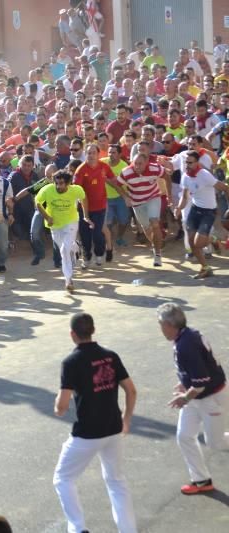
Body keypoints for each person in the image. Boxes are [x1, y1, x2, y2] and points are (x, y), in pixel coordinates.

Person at [53, 312, 138, 533]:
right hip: (113, 429)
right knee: (117, 481)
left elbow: (61, 406)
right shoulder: (110, 356)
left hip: (87, 434)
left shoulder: (71, 362)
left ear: (73, 334)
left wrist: (58, 407)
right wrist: (126, 420)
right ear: (93, 330)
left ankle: (78, 528)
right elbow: (131, 390)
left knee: (63, 478)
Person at [156, 303, 229, 495]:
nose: (160, 328)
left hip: (211, 398)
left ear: (169, 325)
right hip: (197, 396)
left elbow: (202, 381)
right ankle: (201, 480)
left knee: (216, 443)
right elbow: (199, 373)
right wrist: (185, 383)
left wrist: (185, 397)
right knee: (185, 436)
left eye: (160, 324)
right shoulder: (187, 335)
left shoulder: (185, 345)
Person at [174, 151, 229, 279]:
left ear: (197, 163)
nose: (187, 165)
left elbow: (225, 188)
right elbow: (184, 196)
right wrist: (178, 208)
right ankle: (205, 268)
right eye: (186, 162)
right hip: (194, 210)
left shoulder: (205, 175)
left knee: (198, 243)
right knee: (192, 243)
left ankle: (214, 240)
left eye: (190, 162)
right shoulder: (185, 176)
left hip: (208, 212)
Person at [35, 170, 93, 292]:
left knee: (63, 250)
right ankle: (76, 247)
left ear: (68, 183)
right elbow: (38, 202)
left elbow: (84, 198)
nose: (58, 186)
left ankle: (68, 279)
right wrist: (47, 217)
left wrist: (86, 216)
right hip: (54, 225)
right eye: (56, 183)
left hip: (71, 222)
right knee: (65, 248)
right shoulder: (47, 189)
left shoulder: (76, 189)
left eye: (61, 183)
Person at [73, 144, 115, 267]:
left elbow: (113, 178)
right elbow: (77, 190)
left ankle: (99, 254)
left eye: (93, 153)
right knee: (85, 234)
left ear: (98, 154)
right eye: (88, 153)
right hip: (84, 209)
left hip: (100, 207)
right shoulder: (81, 170)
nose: (91, 155)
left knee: (97, 233)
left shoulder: (104, 166)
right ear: (85, 154)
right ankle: (86, 257)